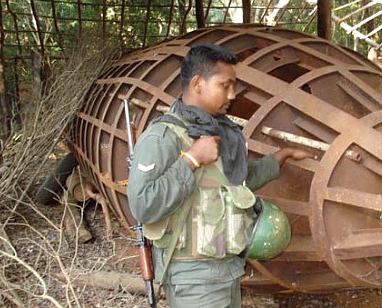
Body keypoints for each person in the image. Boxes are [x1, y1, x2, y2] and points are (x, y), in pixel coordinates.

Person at [126, 43, 313, 308]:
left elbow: (236, 184)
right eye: (225, 85)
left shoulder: (217, 132)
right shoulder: (162, 138)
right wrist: (191, 159)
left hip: (227, 272)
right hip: (193, 279)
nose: (233, 94)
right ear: (198, 83)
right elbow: (144, 206)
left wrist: (280, 158)